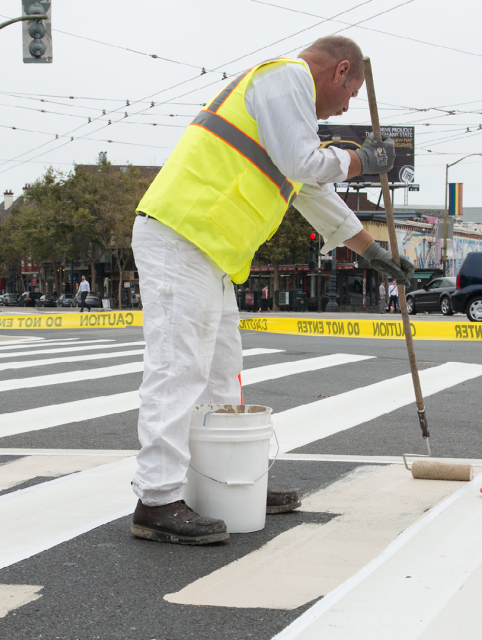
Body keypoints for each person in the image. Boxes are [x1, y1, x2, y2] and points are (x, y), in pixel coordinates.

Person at [130, 35, 415, 545]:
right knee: (179, 368)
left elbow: (314, 195)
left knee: (221, 376)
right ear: (340, 70)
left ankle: (229, 484)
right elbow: (309, 165)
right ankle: (157, 500)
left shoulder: (291, 120)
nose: (346, 106)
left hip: (208, 248)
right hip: (181, 235)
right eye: (350, 94)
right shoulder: (285, 78)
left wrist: (370, 251)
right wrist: (362, 161)